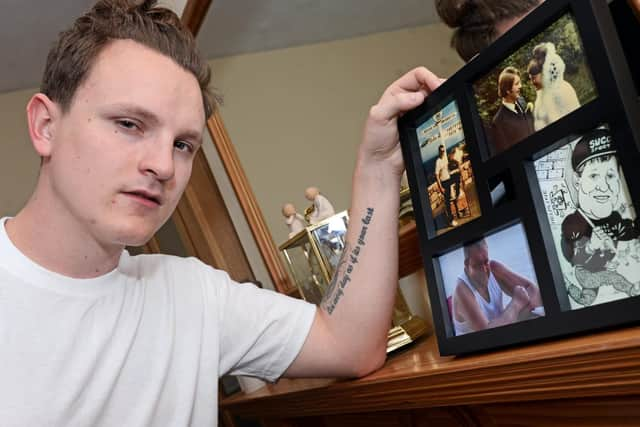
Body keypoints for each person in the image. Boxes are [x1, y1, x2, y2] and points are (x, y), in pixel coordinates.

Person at [0, 1, 444, 425]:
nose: (163, 165)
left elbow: (351, 346)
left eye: (182, 145)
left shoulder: (190, 295)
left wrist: (378, 169)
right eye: (130, 124)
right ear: (45, 126)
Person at [560, 128, 640, 306]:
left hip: (599, 271)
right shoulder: (573, 223)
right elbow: (570, 254)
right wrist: (590, 248)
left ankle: (568, 287)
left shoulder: (614, 219)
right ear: (577, 181)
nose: (604, 187)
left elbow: (630, 231)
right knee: (611, 277)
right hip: (585, 273)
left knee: (587, 300)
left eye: (610, 175)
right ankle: (630, 289)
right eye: (594, 175)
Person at [452, 239, 542, 336]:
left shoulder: (493, 268)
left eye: (486, 261)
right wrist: (516, 303)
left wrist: (513, 315)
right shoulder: (462, 291)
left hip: (503, 332)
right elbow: (488, 335)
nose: (484, 269)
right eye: (478, 265)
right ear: (466, 264)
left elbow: (534, 290)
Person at [527, 42, 580, 131]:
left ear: (544, 73)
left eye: (534, 78)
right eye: (530, 78)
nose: (532, 82)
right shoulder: (542, 94)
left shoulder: (561, 90)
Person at [490, 66, 535, 153]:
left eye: (520, 83)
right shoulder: (498, 122)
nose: (520, 86)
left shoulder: (522, 102)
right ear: (507, 90)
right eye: (517, 84)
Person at [435, 144, 459, 227]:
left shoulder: (445, 159)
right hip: (444, 183)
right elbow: (437, 175)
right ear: (439, 151)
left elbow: (447, 169)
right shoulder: (438, 161)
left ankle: (455, 215)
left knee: (453, 197)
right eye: (441, 151)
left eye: (443, 151)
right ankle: (451, 221)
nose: (442, 152)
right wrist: (440, 187)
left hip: (448, 180)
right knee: (447, 202)